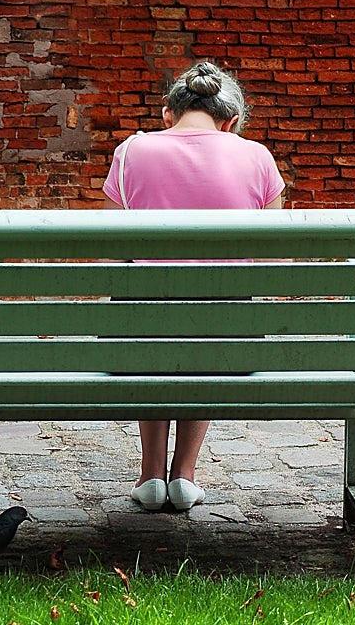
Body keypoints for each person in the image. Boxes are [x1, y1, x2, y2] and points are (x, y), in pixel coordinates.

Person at [102, 60, 285, 511]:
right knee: (214, 315)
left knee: (147, 312)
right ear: (233, 121)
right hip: (227, 340)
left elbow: (112, 247)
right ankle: (184, 475)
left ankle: (150, 476)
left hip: (139, 339)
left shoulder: (130, 152)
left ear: (168, 113)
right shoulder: (257, 156)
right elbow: (275, 252)